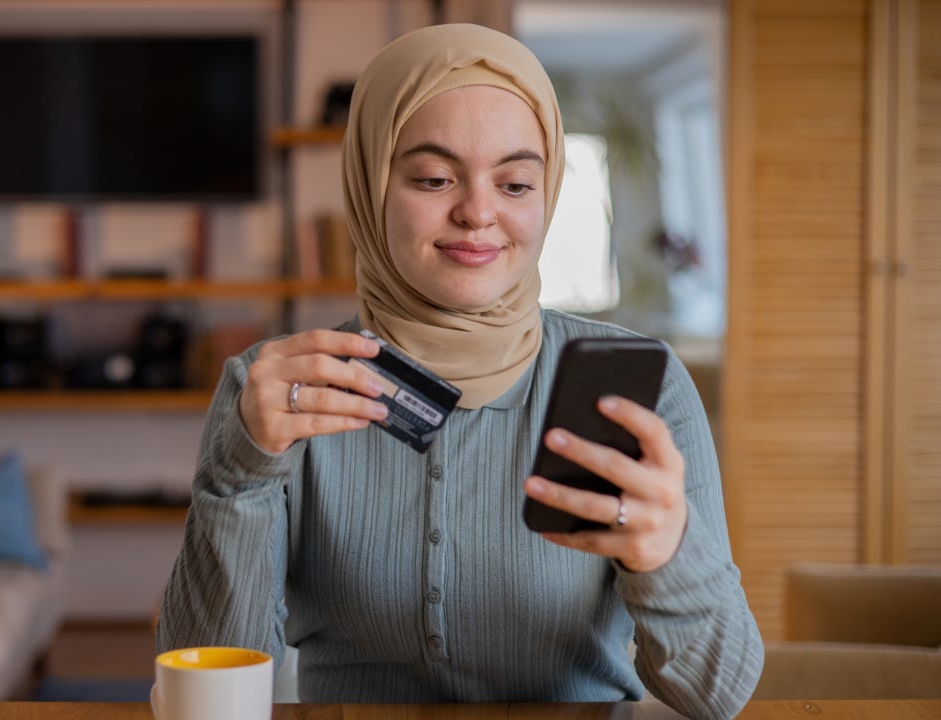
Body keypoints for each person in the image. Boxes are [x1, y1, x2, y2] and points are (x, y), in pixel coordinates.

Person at [157, 23, 763, 720]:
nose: (478, 212)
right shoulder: (278, 391)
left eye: (515, 183)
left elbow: (718, 695)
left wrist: (668, 551)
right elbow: (206, 699)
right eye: (433, 178)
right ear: (370, 185)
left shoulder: (643, 391)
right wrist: (241, 475)